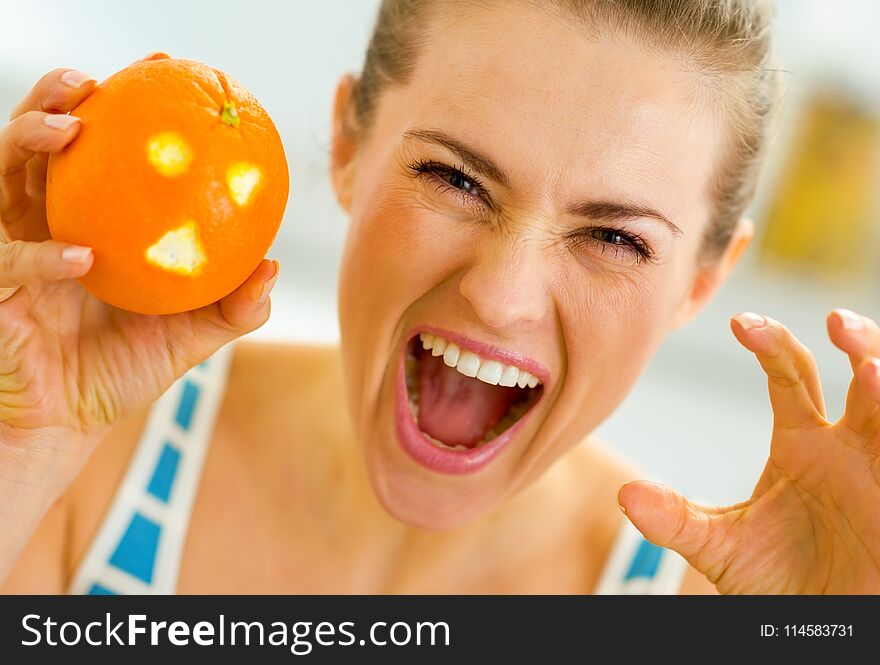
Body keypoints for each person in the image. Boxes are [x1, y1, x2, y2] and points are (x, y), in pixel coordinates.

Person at [1, 0, 878, 595]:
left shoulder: (719, 609)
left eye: (615, 236)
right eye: (455, 178)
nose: (501, 297)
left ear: (702, 282)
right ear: (347, 145)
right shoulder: (85, 454)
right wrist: (20, 443)